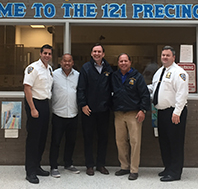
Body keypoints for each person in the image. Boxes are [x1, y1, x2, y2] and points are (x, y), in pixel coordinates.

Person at [148, 46, 188, 182]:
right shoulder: (159, 71)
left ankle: (175, 172)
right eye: (163, 55)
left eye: (167, 55)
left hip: (174, 112)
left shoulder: (179, 72)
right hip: (161, 112)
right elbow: (154, 88)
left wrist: (177, 112)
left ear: (173, 57)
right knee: (164, 142)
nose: (164, 57)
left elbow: (182, 94)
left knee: (175, 142)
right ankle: (168, 168)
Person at [111, 53, 151, 181]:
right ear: (118, 63)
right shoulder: (114, 76)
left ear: (130, 62)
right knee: (120, 141)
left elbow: (144, 95)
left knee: (135, 142)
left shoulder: (137, 77)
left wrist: (143, 110)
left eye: (125, 61)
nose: (123, 63)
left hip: (134, 113)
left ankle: (134, 170)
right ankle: (124, 166)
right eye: (121, 61)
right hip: (118, 114)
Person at [77, 43, 113, 176]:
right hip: (89, 110)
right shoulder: (86, 68)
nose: (96, 54)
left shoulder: (109, 69)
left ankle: (101, 164)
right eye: (94, 51)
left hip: (104, 110)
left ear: (103, 54)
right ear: (91, 54)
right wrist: (83, 104)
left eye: (99, 51)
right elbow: (80, 88)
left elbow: (111, 88)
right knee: (88, 138)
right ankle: (90, 165)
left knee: (103, 138)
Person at [23, 44, 53, 184]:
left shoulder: (49, 69)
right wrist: (33, 109)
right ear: (40, 53)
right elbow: (27, 88)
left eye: (49, 54)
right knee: (33, 139)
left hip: (45, 104)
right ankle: (30, 172)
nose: (47, 55)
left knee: (42, 138)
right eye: (45, 53)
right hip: (34, 104)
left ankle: (37, 166)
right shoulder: (33, 68)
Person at [49, 54, 80, 178]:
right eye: (64, 61)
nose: (67, 63)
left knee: (71, 141)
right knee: (55, 141)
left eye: (69, 61)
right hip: (58, 113)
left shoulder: (78, 75)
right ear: (60, 62)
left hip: (73, 113)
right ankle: (54, 166)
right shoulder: (54, 75)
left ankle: (68, 164)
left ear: (72, 62)